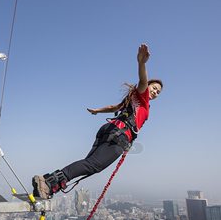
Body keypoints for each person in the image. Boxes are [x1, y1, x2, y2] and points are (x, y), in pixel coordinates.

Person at [32, 43, 163, 199]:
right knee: (94, 165)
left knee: (89, 163)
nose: (155, 92)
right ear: (148, 87)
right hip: (119, 135)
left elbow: (113, 107)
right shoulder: (142, 99)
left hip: (108, 130)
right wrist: (141, 63)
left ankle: (50, 185)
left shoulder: (132, 99)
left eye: (158, 92)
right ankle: (47, 182)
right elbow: (142, 81)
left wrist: (97, 111)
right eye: (154, 88)